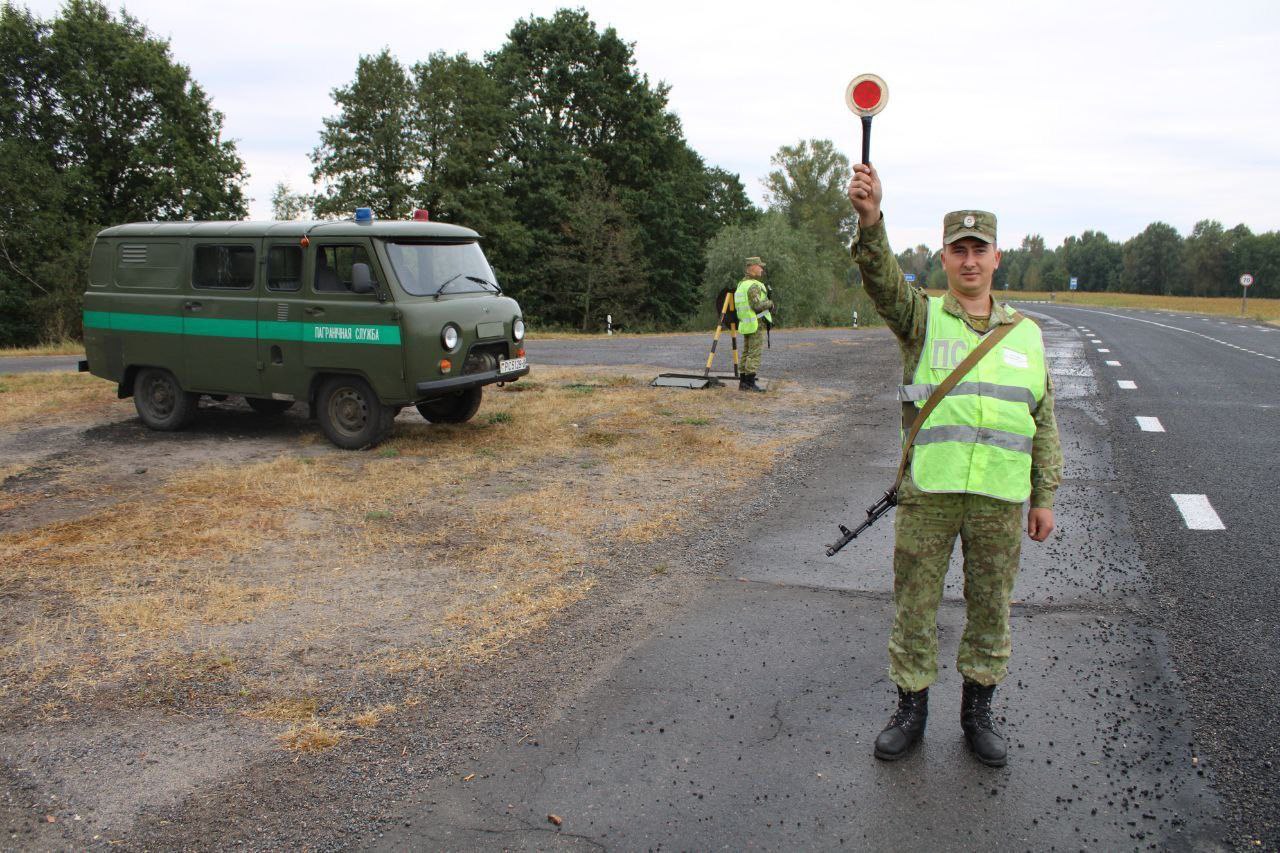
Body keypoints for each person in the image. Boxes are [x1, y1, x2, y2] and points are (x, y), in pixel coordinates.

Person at [847, 162, 1062, 767]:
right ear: (943, 258)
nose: (969, 260)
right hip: (930, 492)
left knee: (990, 606)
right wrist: (870, 221)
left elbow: (1043, 419)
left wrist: (1043, 495)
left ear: (998, 258)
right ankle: (910, 709)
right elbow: (881, 280)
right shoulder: (922, 319)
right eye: (958, 250)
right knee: (914, 603)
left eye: (980, 250)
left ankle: (978, 712)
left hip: (999, 498)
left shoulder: (1026, 335)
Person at [734, 257, 774, 392]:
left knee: (746, 353)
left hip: (746, 324)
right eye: (760, 266)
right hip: (755, 324)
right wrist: (770, 303)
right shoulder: (753, 286)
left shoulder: (741, 285)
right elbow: (757, 306)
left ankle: (743, 383)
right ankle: (750, 384)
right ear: (752, 267)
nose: (762, 269)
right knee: (754, 354)